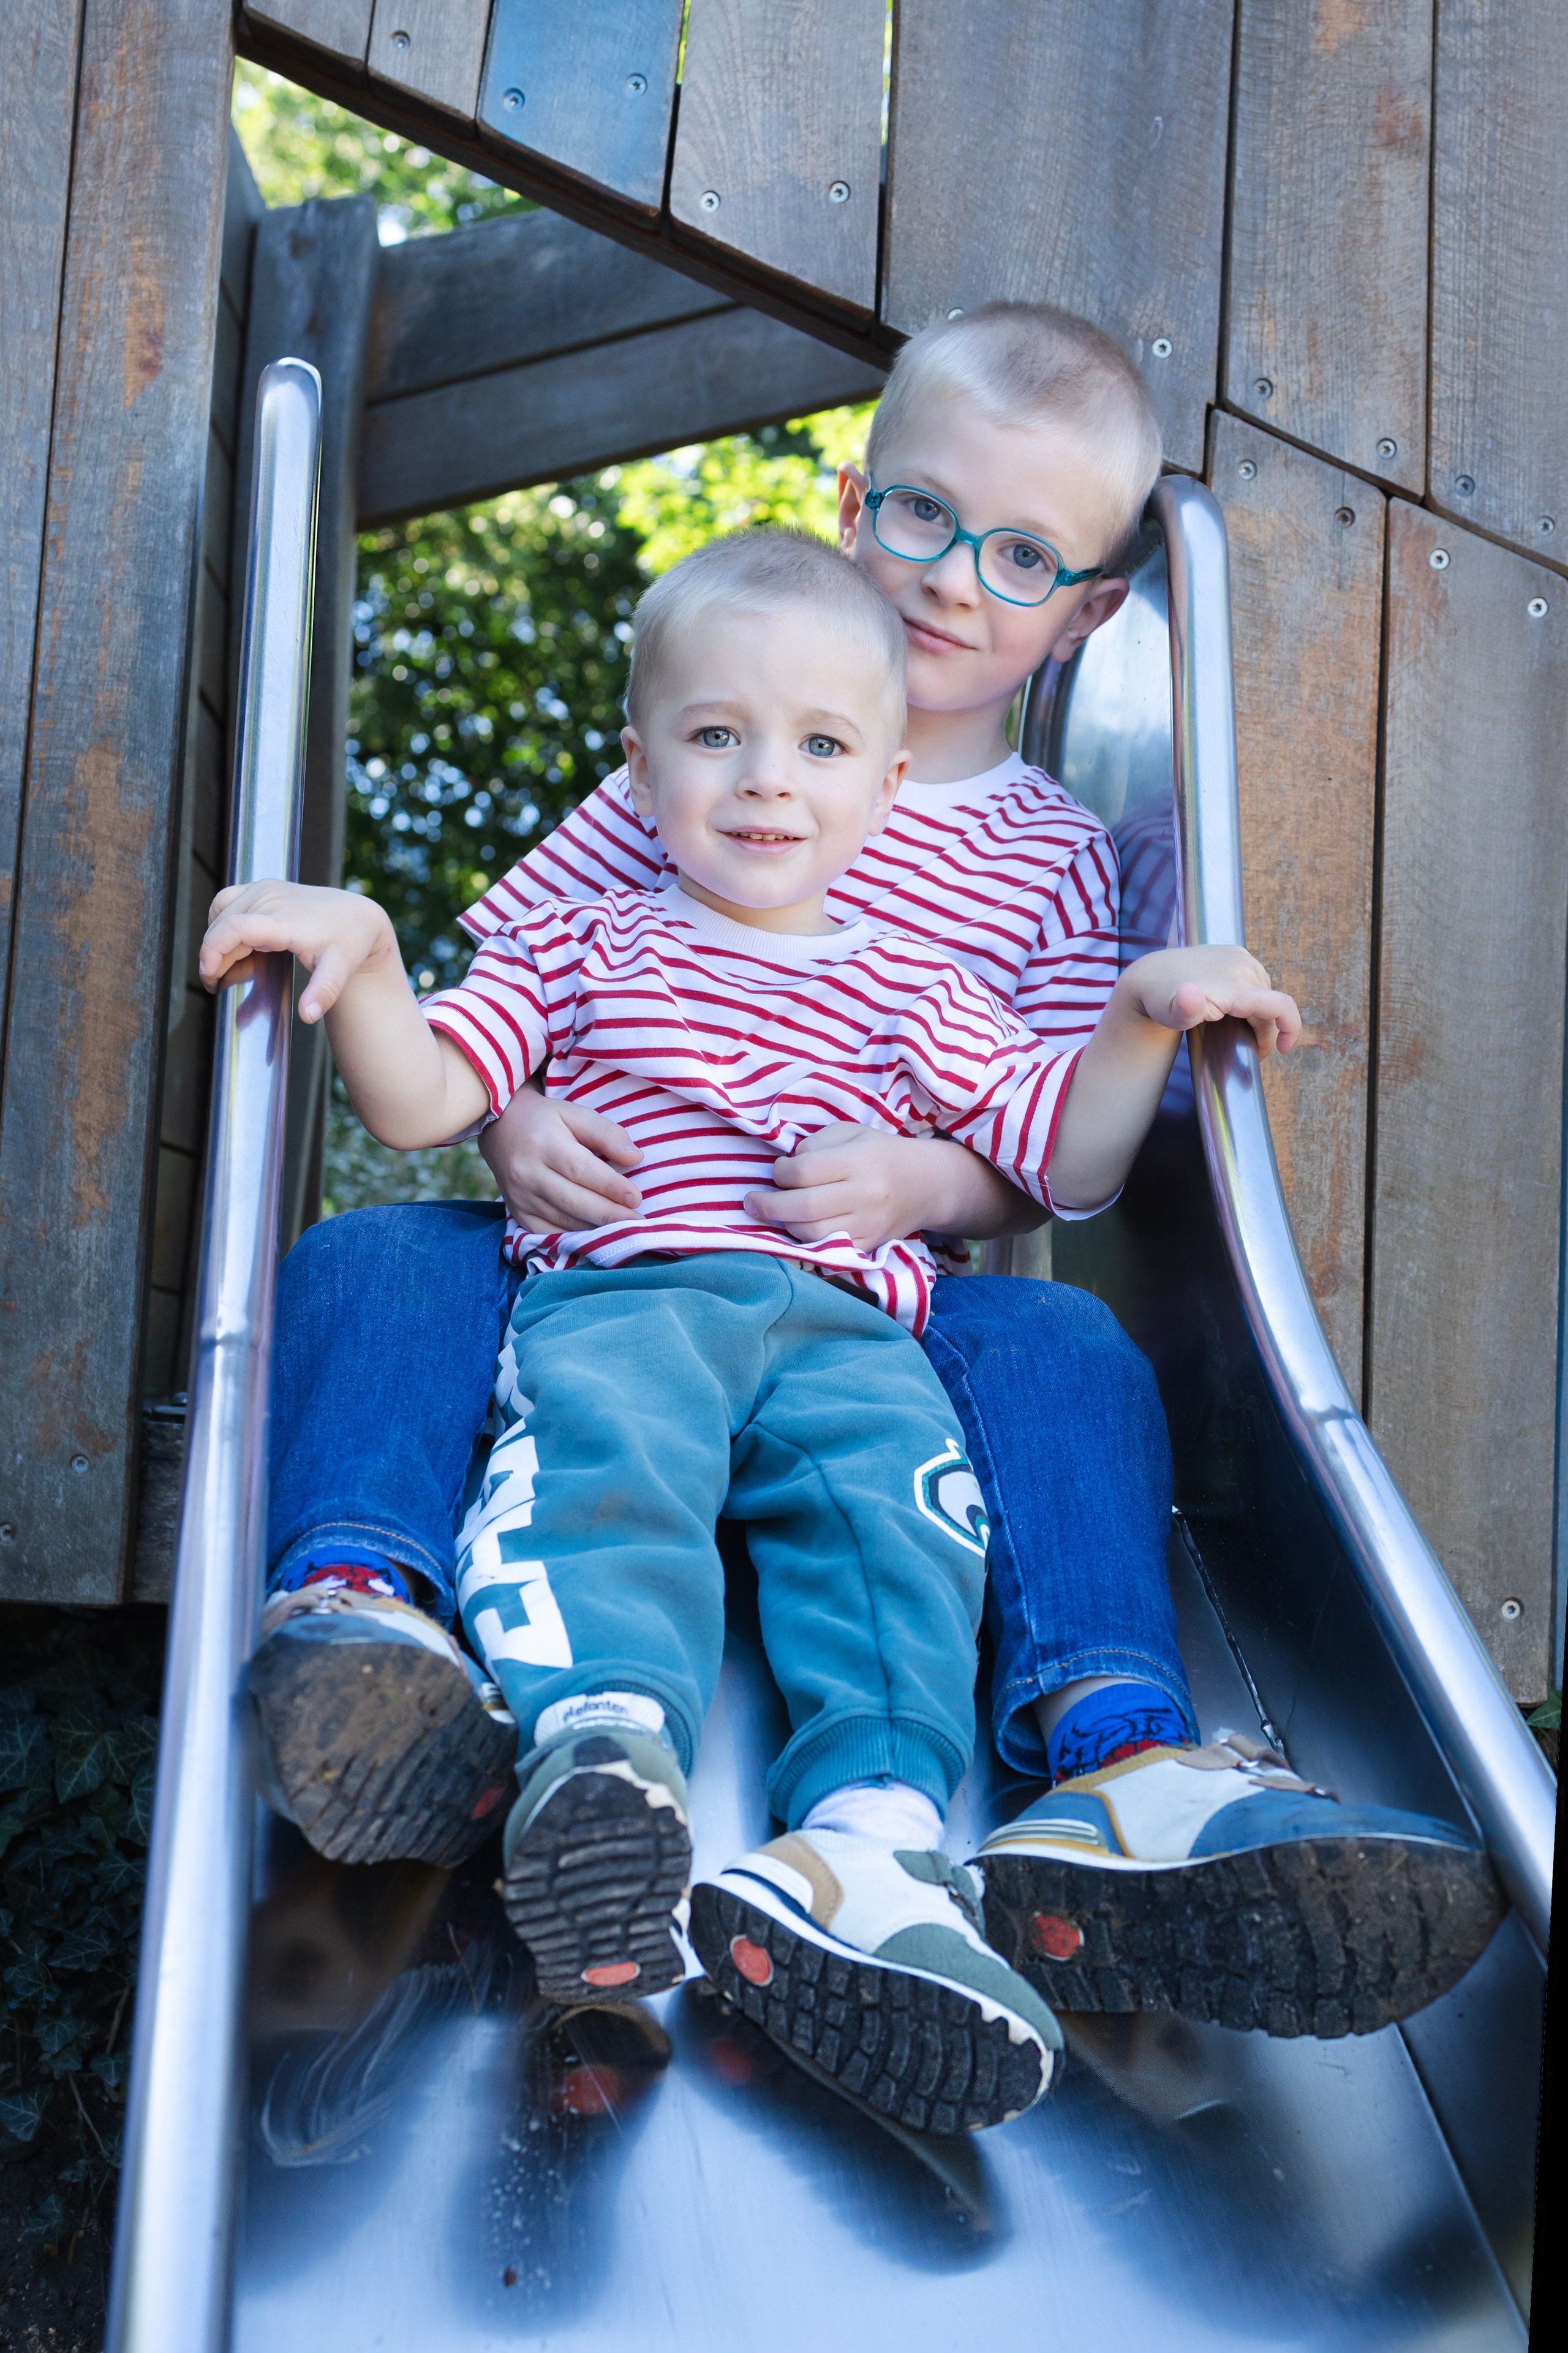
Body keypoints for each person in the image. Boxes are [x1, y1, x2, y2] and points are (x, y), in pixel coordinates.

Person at [249, 303, 1498, 2047]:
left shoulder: (1051, 859)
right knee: (379, 1257)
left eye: (1022, 556)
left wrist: (927, 1180)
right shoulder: (702, 745)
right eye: (925, 514)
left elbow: (1044, 1159)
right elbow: (509, 1019)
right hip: (612, 1249)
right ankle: (372, 1624)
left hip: (872, 1308)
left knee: (1060, 1346)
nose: (953, 581)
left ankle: (1116, 1753)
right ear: (858, 499)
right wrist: (510, 1121)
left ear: (1088, 611)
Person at [204, 527, 1299, 2129]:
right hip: (630, 1297)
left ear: (886, 785)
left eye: (821, 747)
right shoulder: (583, 945)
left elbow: (1064, 1161)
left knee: (897, 1540)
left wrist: (1139, 1017)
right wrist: (368, 955)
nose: (768, 779)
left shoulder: (919, 986)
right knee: (607, 1480)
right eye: (717, 734)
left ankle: (870, 1849)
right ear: (640, 762)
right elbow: (428, 1093)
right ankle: (604, 1761)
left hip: (851, 1335)